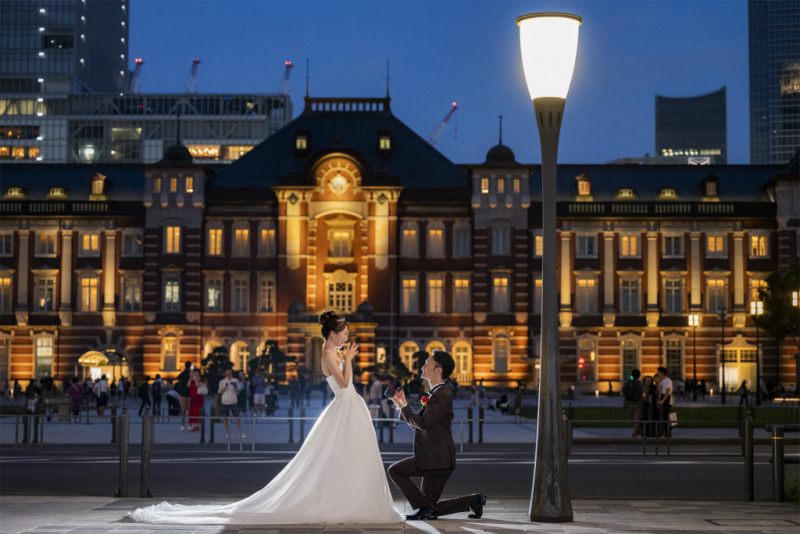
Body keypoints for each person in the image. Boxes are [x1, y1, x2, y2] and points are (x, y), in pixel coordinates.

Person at [130, 309, 403, 525]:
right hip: (345, 404)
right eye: (344, 333)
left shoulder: (333, 352)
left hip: (348, 407)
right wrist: (350, 359)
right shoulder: (329, 354)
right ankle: (344, 501)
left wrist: (346, 357)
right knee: (338, 456)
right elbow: (344, 384)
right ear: (333, 334)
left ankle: (349, 499)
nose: (346, 337)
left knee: (347, 456)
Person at [387, 350, 486, 521]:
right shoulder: (436, 394)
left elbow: (423, 423)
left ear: (438, 370)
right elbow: (422, 426)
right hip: (434, 457)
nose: (423, 367)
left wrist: (404, 407)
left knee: (395, 471)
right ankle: (473, 500)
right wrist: (401, 404)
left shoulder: (443, 395)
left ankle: (428, 507)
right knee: (429, 509)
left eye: (427, 364)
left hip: (437, 459)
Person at [219, 369, 244, 440]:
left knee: (238, 417)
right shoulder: (222, 381)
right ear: (225, 374)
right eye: (228, 373)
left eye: (230, 373)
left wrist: (235, 387)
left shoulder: (235, 380)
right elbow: (220, 391)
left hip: (233, 401)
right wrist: (225, 387)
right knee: (226, 419)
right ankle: (227, 433)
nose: (229, 375)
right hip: (225, 401)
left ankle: (240, 433)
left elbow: (238, 391)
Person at [622, 369, 645, 437]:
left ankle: (635, 433)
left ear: (632, 374)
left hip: (629, 404)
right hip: (638, 404)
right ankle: (638, 430)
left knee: (631, 419)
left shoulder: (627, 382)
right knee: (636, 420)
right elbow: (643, 395)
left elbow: (622, 392)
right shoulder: (640, 383)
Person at [655, 366, 673, 437]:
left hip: (666, 402)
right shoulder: (662, 381)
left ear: (662, 373)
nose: (657, 374)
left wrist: (662, 401)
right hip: (663, 401)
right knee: (663, 418)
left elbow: (667, 391)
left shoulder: (667, 381)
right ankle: (666, 433)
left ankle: (668, 434)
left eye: (658, 372)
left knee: (665, 418)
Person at [176, 362, 192, 430]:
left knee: (183, 410)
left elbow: (178, 377)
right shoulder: (191, 373)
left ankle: (182, 425)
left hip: (183, 393)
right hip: (190, 393)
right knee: (190, 410)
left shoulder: (183, 373)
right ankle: (190, 425)